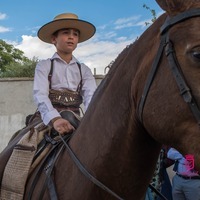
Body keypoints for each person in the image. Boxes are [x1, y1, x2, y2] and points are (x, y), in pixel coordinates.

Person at [33, 13, 97, 135]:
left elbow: (91, 97)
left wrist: (93, 118)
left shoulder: (84, 70)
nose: (71, 37)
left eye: (75, 34)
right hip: (48, 119)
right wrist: (55, 119)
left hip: (75, 118)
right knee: (26, 144)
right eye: (66, 33)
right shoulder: (44, 66)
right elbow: (40, 95)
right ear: (54, 39)